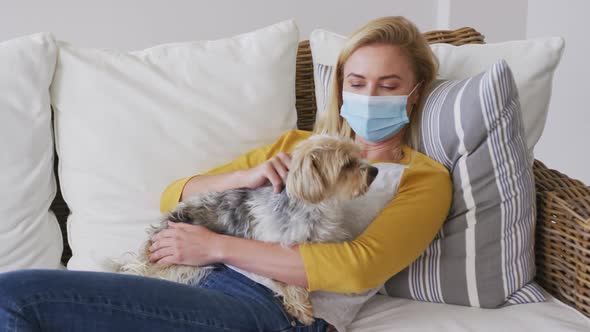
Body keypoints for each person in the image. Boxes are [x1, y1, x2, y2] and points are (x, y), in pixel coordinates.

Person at [0, 16, 451, 332]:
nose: (369, 96)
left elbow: (357, 268)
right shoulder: (295, 147)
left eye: (388, 86)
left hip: (273, 308)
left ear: (413, 95)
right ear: (340, 88)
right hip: (195, 281)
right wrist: (247, 176)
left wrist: (213, 245)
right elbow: (173, 195)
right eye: (356, 83)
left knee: (15, 296)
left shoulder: (423, 178)